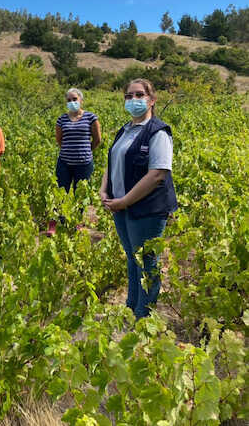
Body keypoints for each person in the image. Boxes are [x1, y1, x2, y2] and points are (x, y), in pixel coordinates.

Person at [99, 78, 177, 319]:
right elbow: (113, 162)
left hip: (146, 209)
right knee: (132, 260)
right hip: (121, 206)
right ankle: (131, 309)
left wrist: (125, 201)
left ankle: (144, 317)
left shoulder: (158, 132)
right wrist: (104, 190)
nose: (133, 100)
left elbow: (157, 174)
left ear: (151, 100)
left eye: (139, 95)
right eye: (129, 96)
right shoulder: (125, 130)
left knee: (147, 264)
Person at [47, 88, 102, 235]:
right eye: (69, 100)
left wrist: (85, 150)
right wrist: (70, 149)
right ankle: (55, 223)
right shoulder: (62, 119)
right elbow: (59, 140)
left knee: (80, 194)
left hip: (84, 163)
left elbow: (97, 140)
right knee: (60, 192)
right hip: (64, 162)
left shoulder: (91, 117)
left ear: (81, 100)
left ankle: (77, 222)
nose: (72, 102)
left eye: (74, 99)